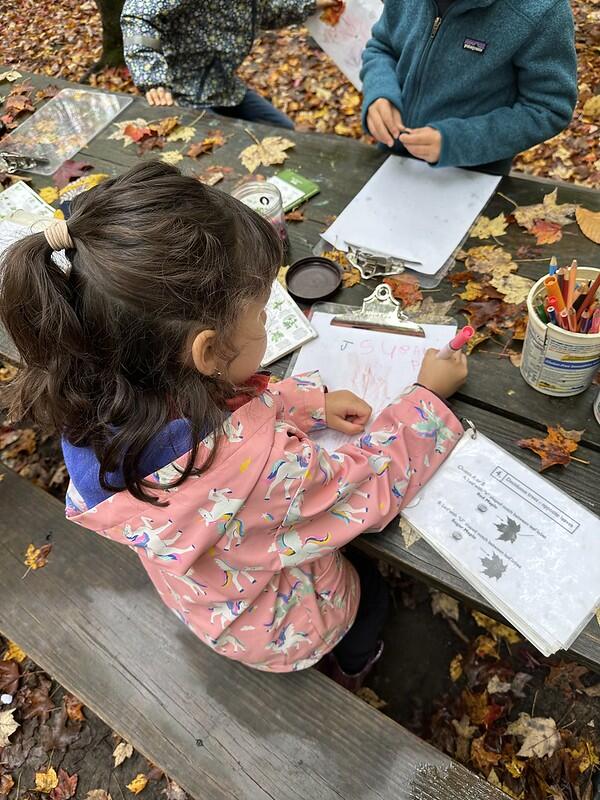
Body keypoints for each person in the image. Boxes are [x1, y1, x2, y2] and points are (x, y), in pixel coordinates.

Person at [0, 162, 467, 687]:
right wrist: (426, 398)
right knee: (374, 596)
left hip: (211, 604)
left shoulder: (103, 388)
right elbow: (368, 486)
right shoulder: (261, 471)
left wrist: (308, 402)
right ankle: (355, 664)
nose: (268, 319)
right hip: (290, 623)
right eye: (264, 311)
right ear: (206, 351)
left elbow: (228, 409)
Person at [361, 0, 578, 175]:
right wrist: (379, 91)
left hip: (474, 176)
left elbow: (547, 108)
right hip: (394, 163)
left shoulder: (542, 10)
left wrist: (456, 141)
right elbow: (382, 46)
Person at [121, 0, 339, 129]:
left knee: (283, 130)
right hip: (182, 95)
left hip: (225, 86)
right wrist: (151, 76)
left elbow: (266, 11)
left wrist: (311, 3)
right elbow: (140, 14)